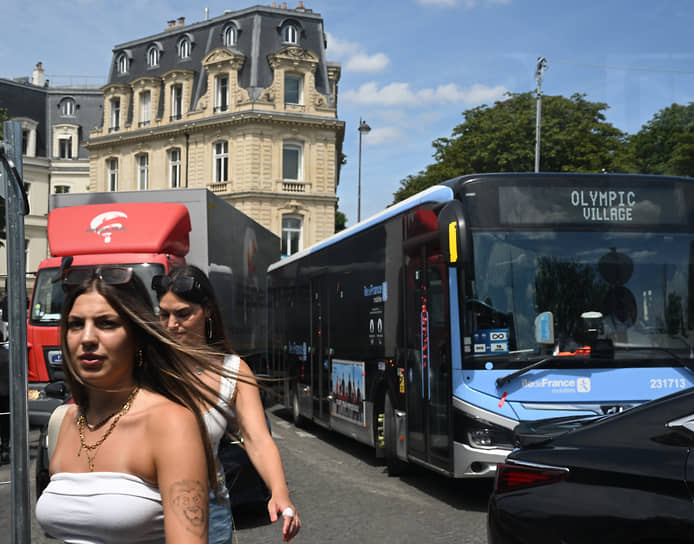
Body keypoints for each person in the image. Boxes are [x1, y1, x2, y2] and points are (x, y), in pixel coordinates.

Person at [35, 265, 229, 543]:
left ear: (137, 336)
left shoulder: (171, 422)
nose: (87, 338)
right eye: (76, 324)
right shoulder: (66, 421)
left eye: (106, 323)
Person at [153, 265, 301, 544]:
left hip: (208, 508)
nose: (172, 324)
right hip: (146, 506)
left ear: (207, 311)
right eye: (164, 314)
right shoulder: (145, 366)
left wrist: (280, 493)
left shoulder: (233, 371)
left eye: (183, 314)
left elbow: (258, 439)